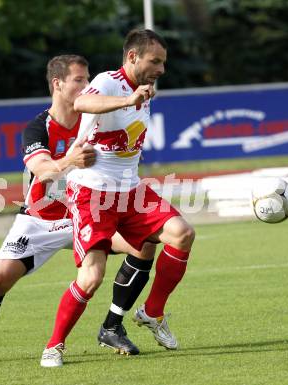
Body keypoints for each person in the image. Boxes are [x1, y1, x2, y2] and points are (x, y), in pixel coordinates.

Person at [0, 54, 156, 367]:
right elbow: (43, 169)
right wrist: (70, 162)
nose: (86, 85)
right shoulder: (38, 128)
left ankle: (112, 326)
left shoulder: (96, 117)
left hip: (87, 214)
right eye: (79, 79)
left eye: (88, 79)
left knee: (145, 243)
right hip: (39, 220)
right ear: (58, 84)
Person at [40, 30, 195, 368]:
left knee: (182, 233)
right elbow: (82, 102)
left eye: (163, 63)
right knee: (91, 278)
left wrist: (136, 100)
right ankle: (54, 345)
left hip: (129, 190)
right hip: (91, 192)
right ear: (132, 58)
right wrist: (128, 100)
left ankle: (152, 313)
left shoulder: (146, 91)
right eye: (156, 61)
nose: (161, 69)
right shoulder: (108, 82)